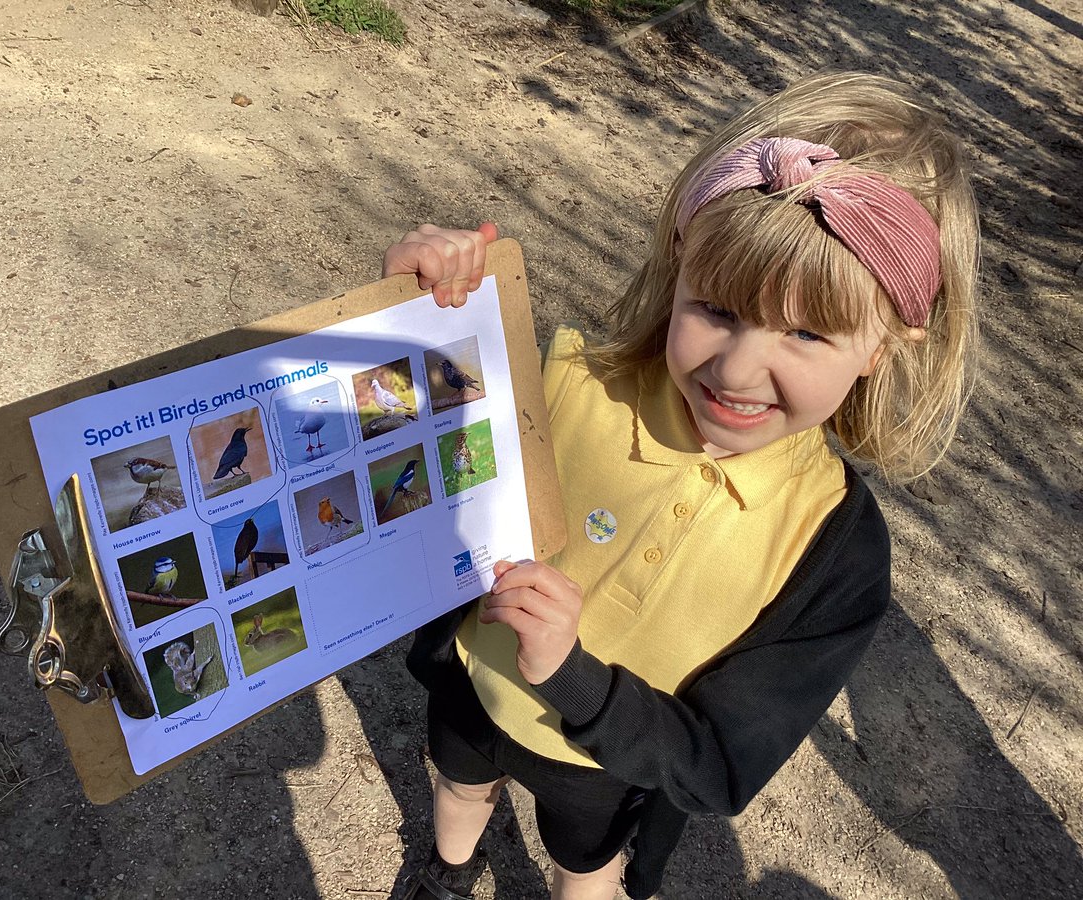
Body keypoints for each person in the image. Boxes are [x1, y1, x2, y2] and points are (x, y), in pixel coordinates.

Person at [382, 72, 979, 900]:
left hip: (604, 762)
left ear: (885, 346)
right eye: (718, 307)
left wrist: (574, 677)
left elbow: (717, 763)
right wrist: (414, 317)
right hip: (474, 686)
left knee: (585, 862)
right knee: (455, 781)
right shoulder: (562, 383)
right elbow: (402, 460)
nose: (736, 370)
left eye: (807, 331)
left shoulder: (833, 551)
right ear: (680, 264)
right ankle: (446, 871)